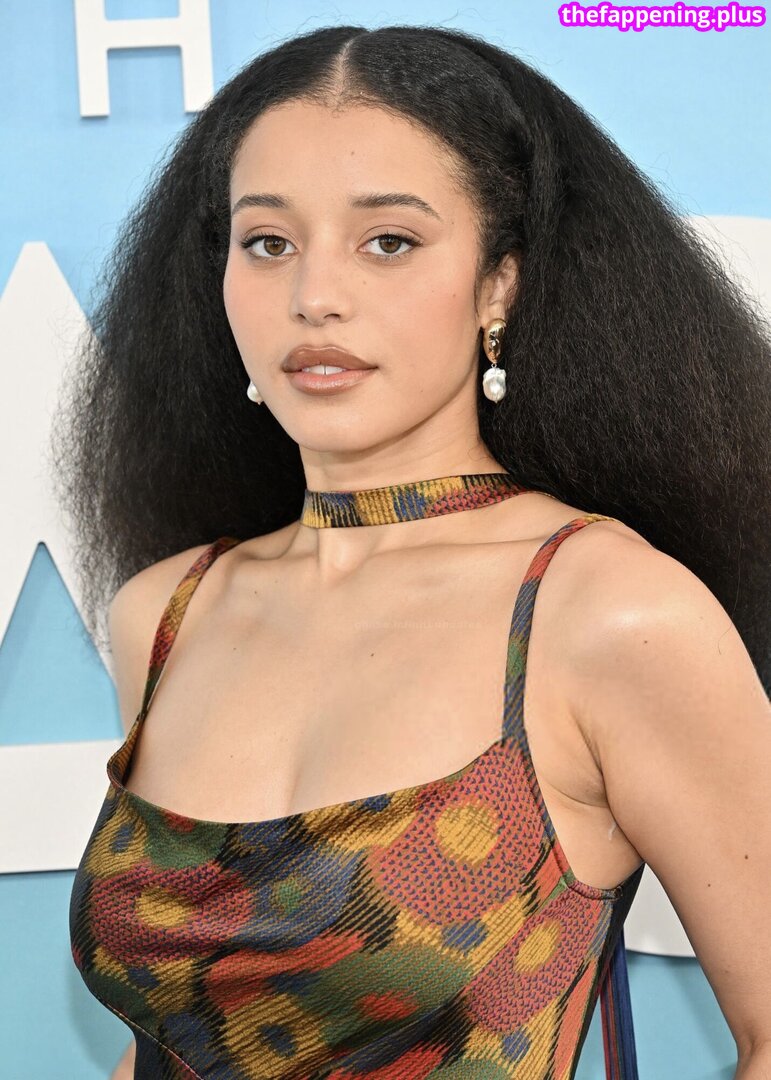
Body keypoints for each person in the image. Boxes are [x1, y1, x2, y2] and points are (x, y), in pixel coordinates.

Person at [55, 24, 771, 1080]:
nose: (315, 295)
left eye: (388, 241)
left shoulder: (604, 612)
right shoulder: (166, 614)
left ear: (499, 286)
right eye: (268, 243)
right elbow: (160, 1046)